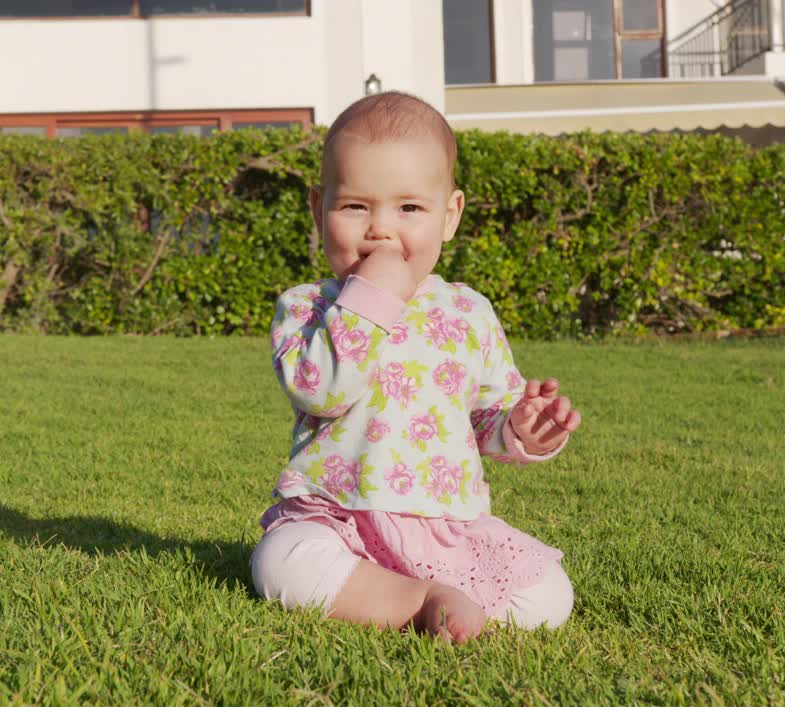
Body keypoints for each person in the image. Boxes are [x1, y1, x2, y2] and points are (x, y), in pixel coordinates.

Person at [249, 91, 583, 643]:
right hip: (339, 517)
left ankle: (415, 591)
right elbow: (321, 393)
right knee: (281, 562)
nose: (381, 229)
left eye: (409, 209)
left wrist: (520, 426)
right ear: (318, 208)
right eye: (356, 206)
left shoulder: (468, 311)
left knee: (549, 596)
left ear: (449, 216)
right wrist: (371, 297)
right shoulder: (308, 307)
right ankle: (422, 599)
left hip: (441, 527)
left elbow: (484, 415)